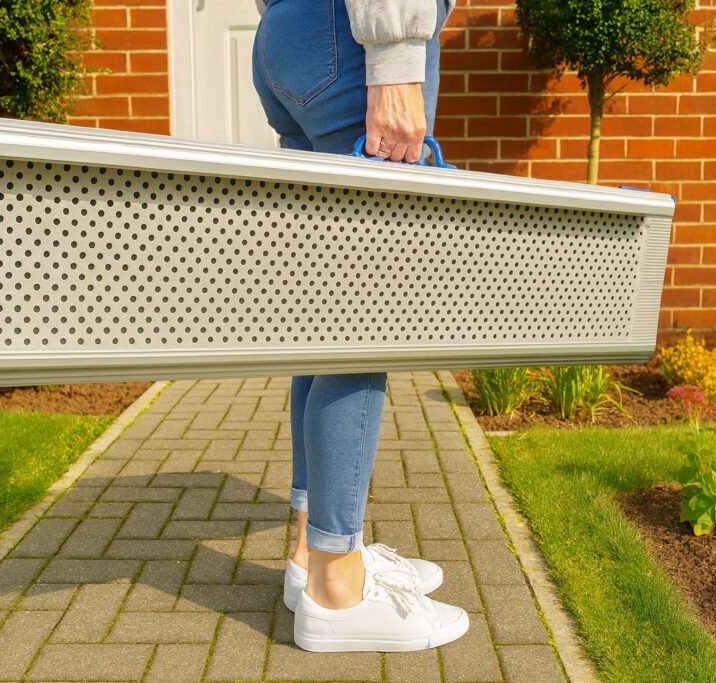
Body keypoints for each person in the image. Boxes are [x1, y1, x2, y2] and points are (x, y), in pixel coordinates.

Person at [251, 0, 469, 653]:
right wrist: (397, 58)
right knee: (363, 323)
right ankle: (337, 589)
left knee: (327, 322)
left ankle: (309, 554)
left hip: (292, 36)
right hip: (352, 40)